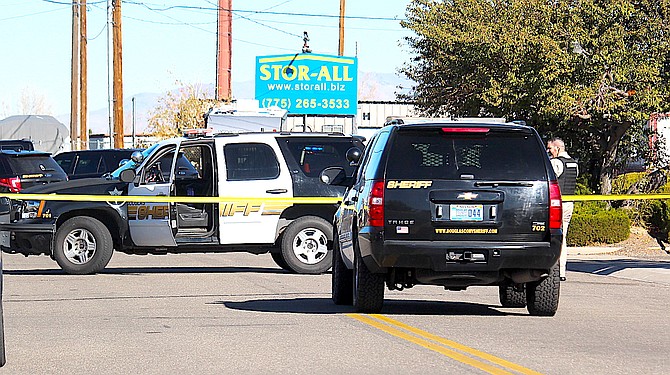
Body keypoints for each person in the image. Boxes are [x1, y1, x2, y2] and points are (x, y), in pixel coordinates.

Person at [547, 138, 579, 281]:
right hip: (569, 203)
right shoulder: (574, 164)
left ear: (557, 148)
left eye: (550, 149)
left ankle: (555, 269)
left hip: (558, 204)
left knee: (554, 237)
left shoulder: (556, 163)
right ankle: (562, 271)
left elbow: (548, 179)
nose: (549, 152)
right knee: (563, 236)